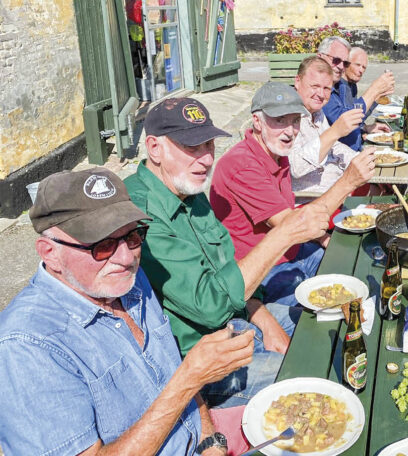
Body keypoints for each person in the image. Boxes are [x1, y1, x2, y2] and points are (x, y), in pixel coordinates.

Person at [0, 168, 252, 455]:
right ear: (49, 253)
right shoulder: (25, 348)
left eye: (133, 235)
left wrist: (210, 443)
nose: (125, 257)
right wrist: (189, 379)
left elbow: (178, 378)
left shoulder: (125, 279)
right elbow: (184, 380)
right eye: (102, 245)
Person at [126, 98, 328, 409]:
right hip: (200, 362)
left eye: (209, 145)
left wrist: (263, 318)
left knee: (323, 327)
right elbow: (211, 305)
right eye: (192, 148)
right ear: (154, 148)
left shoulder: (187, 191)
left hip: (238, 321)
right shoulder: (140, 211)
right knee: (309, 376)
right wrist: (285, 233)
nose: (206, 160)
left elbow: (228, 264)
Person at [210, 82, 374, 307]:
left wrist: (321, 237)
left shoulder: (277, 153)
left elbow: (289, 217)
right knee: (332, 313)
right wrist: (348, 182)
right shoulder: (241, 164)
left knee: (361, 269)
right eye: (279, 120)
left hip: (293, 251)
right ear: (257, 121)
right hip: (264, 272)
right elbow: (291, 225)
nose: (290, 131)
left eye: (295, 120)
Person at [290, 56, 363, 196]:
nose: (321, 94)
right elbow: (296, 167)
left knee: (385, 187)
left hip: (338, 185)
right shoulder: (286, 116)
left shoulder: (316, 111)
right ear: (297, 81)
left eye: (326, 88)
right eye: (315, 86)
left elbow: (333, 145)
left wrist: (360, 159)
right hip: (314, 201)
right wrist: (335, 131)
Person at [319, 38, 393, 151]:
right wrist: (374, 90)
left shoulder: (346, 86)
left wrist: (365, 127)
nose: (340, 66)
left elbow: (354, 116)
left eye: (343, 62)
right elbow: (344, 119)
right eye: (336, 60)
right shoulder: (323, 90)